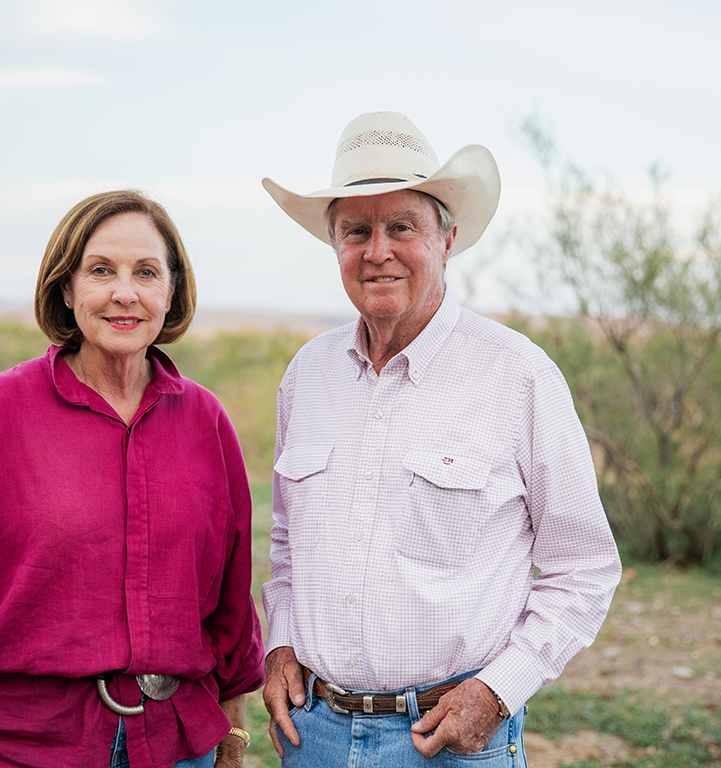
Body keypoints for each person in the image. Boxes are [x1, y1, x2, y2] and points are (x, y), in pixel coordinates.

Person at [258, 112, 621, 766]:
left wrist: (497, 691)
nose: (378, 251)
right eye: (356, 231)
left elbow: (585, 566)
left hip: (450, 740)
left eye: (402, 227)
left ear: (447, 239)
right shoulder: (306, 376)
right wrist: (280, 642)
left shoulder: (519, 376)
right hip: (312, 737)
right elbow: (289, 541)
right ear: (334, 244)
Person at [0, 190, 264, 768]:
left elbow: (231, 604)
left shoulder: (206, 420)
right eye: (100, 270)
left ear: (171, 291)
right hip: (22, 746)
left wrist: (232, 745)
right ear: (66, 287)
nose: (124, 292)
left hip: (176, 748)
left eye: (146, 272)